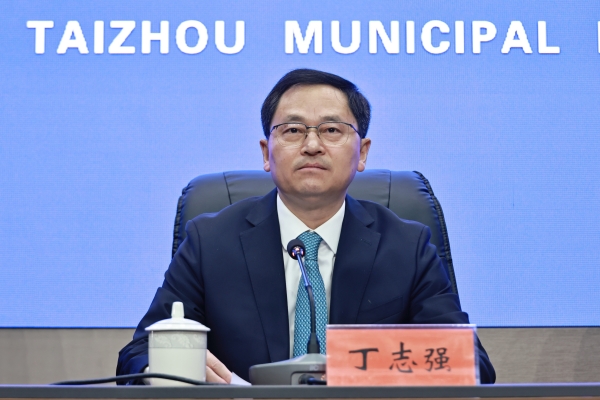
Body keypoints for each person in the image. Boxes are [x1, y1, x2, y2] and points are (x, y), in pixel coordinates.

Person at [117, 69, 496, 384]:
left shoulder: (407, 246)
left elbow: (471, 365)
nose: (312, 145)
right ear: (267, 153)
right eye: (293, 130)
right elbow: (138, 355)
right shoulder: (210, 242)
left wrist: (363, 367)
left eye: (331, 130)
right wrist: (171, 366)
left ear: (362, 152)